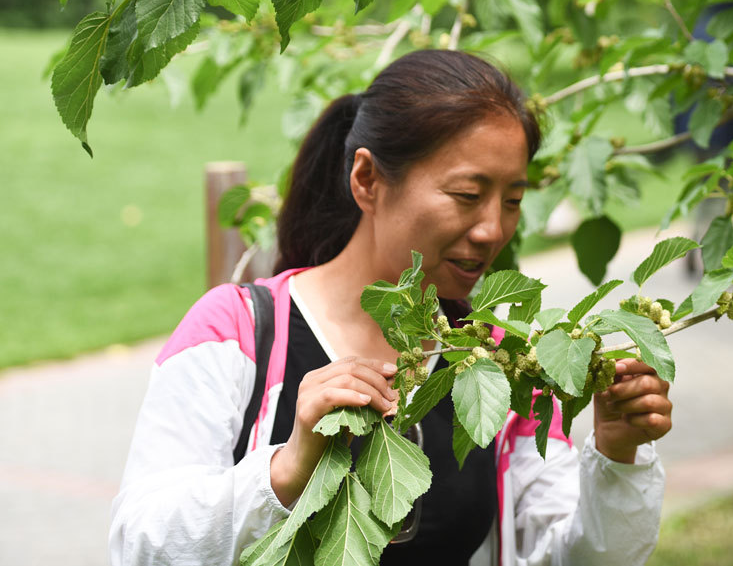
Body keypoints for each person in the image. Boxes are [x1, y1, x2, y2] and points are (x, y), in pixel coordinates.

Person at [109, 50, 673, 566]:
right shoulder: (236, 332)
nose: (492, 229)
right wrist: (287, 470)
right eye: (468, 196)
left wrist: (617, 460)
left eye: (514, 200)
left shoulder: (497, 366)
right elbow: (141, 543)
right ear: (367, 180)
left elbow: (571, 556)